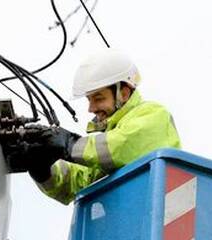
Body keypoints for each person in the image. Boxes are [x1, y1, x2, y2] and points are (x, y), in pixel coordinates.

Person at [22, 49, 181, 204]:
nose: (91, 108)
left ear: (123, 93)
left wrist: (69, 144)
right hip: (130, 220)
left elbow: (120, 147)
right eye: (89, 100)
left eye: (98, 98)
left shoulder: (153, 114)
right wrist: (43, 170)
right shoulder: (104, 151)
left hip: (160, 212)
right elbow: (80, 182)